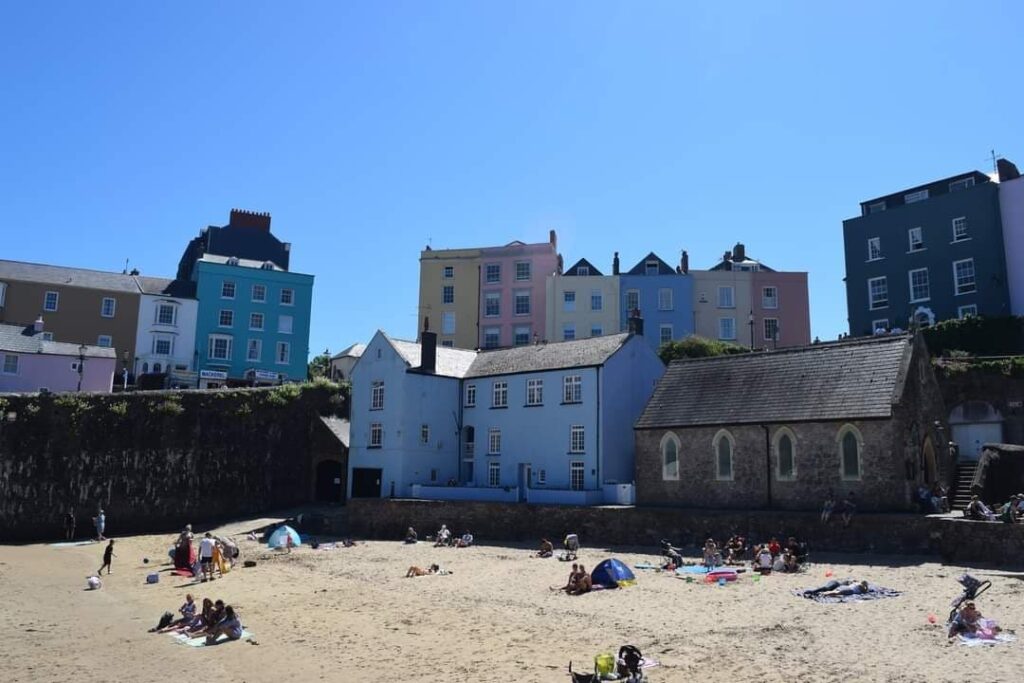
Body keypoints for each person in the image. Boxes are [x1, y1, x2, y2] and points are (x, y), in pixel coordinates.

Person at [802, 579, 871, 598]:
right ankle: (819, 593)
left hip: (840, 586)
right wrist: (866, 586)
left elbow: (851, 581)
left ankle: (816, 592)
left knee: (829, 589)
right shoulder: (860, 586)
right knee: (834, 591)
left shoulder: (854, 583)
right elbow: (865, 591)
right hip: (842, 587)